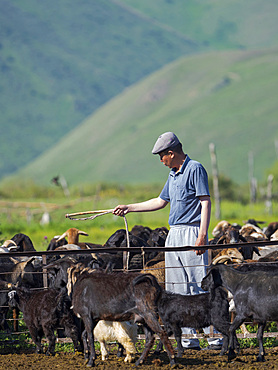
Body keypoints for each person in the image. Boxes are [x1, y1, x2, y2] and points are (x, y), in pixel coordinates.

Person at [113, 132, 222, 351]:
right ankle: (189, 338)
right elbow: (161, 201)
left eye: (162, 156)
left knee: (199, 282)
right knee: (177, 286)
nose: (161, 160)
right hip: (174, 233)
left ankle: (214, 337)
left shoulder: (195, 169)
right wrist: (130, 207)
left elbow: (205, 202)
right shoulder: (173, 174)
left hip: (192, 231)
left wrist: (202, 235)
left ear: (171, 153)